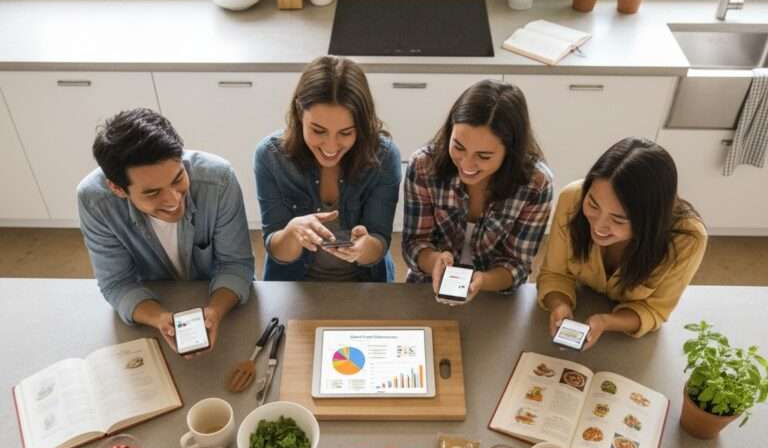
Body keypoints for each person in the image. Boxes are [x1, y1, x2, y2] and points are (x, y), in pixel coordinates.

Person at [77, 107, 255, 353]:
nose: (173, 200)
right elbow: (117, 283)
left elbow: (236, 264)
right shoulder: (94, 201)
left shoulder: (219, 179)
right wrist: (160, 319)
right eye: (152, 192)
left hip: (222, 303)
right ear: (118, 189)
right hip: (149, 310)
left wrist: (214, 312)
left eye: (178, 179)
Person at [537, 137, 708, 349]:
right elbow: (554, 274)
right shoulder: (572, 198)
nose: (599, 226)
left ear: (651, 220)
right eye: (592, 204)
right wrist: (559, 304)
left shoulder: (688, 239)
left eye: (618, 219)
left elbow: (655, 310)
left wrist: (606, 322)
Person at [402, 79, 553, 300]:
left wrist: (481, 282)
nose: (467, 164)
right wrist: (435, 262)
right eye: (458, 147)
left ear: (510, 152)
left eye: (484, 156)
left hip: (497, 296)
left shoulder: (536, 184)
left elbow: (517, 264)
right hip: (428, 287)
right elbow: (414, 242)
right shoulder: (423, 166)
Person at [253, 56, 401, 282]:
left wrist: (363, 248)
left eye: (346, 133)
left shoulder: (384, 156)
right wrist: (293, 232)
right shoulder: (270, 156)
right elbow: (278, 252)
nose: (331, 147)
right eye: (318, 131)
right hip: (294, 285)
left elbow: (379, 241)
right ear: (299, 111)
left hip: (365, 284)